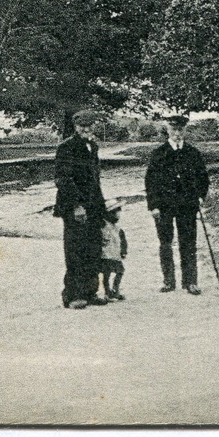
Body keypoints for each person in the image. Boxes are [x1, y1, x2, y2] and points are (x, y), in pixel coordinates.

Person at [145, 114, 209, 295]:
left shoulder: (193, 153)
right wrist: (154, 205)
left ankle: (190, 281)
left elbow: (203, 178)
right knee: (165, 243)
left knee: (188, 242)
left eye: (181, 129)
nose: (177, 133)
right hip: (164, 206)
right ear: (168, 130)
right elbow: (150, 182)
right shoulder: (159, 154)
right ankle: (168, 281)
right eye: (174, 129)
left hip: (187, 205)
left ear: (185, 130)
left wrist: (200, 197)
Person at [53, 109, 109, 308]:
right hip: (74, 208)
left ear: (94, 126)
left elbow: (95, 180)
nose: (85, 129)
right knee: (75, 251)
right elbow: (63, 180)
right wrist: (77, 205)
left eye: (89, 125)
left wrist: (102, 207)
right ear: (76, 127)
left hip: (93, 206)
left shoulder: (92, 146)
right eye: (81, 126)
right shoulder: (66, 147)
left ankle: (90, 292)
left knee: (93, 249)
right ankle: (73, 295)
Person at [97, 202, 128, 302]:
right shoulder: (103, 226)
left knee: (120, 271)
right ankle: (108, 292)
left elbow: (123, 240)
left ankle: (115, 290)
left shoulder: (118, 228)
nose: (117, 215)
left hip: (115, 255)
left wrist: (123, 251)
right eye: (114, 213)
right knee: (107, 274)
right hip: (106, 255)